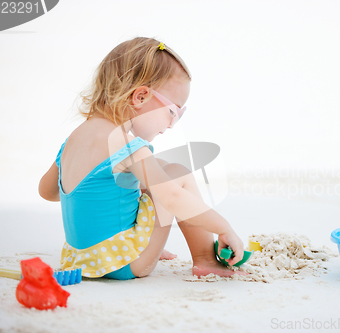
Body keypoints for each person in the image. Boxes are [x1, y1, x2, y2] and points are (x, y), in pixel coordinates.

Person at [38, 37, 247, 280]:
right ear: (140, 96)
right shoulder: (126, 145)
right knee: (178, 173)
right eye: (173, 112)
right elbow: (173, 198)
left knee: (157, 168)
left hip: (80, 259)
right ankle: (206, 260)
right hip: (126, 263)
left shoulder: (73, 140)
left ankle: (142, 238)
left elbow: (47, 192)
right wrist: (224, 228)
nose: (172, 124)